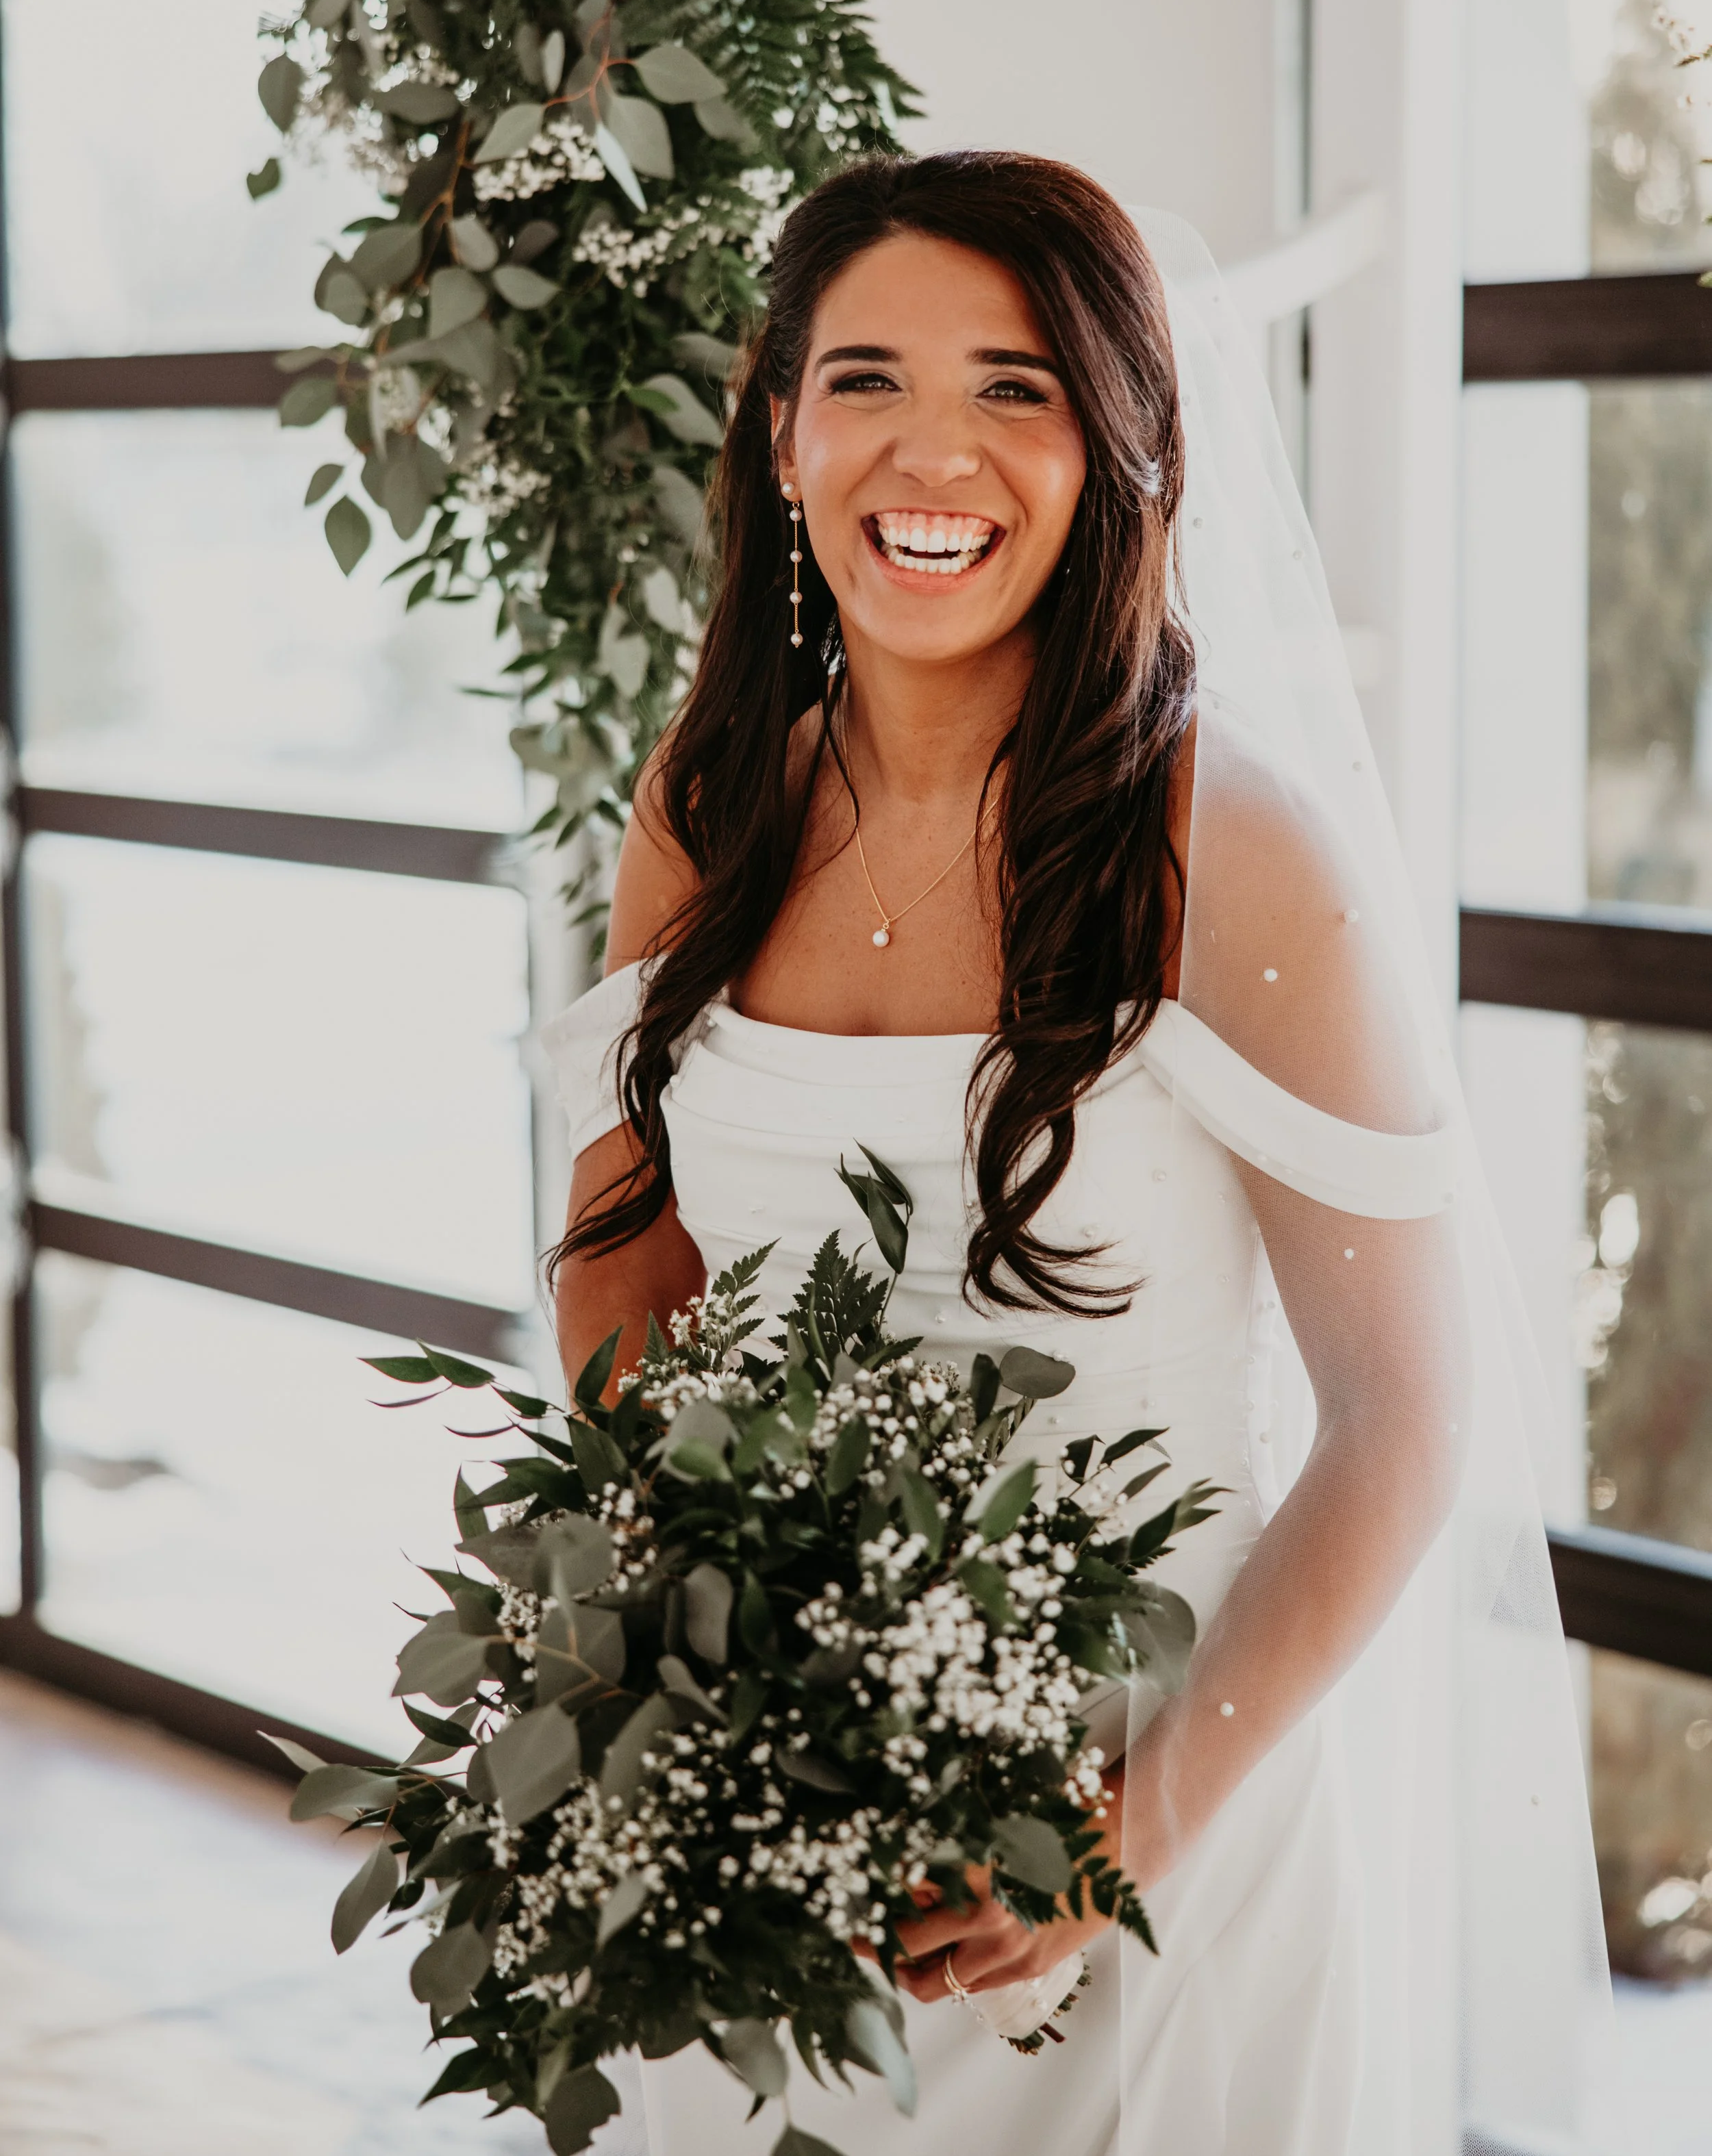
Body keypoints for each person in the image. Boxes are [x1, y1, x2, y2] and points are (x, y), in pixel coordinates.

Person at [544, 152, 1609, 2153]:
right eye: (862, 378)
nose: (925, 450)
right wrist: (716, 1638)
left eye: (1013, 387)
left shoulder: (1234, 853)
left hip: (1144, 1834)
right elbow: (620, 1246)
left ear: (1121, 444)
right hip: (778, 1819)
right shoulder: (699, 809)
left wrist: (1114, 1833)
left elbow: (1397, 1423)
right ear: (778, 430)